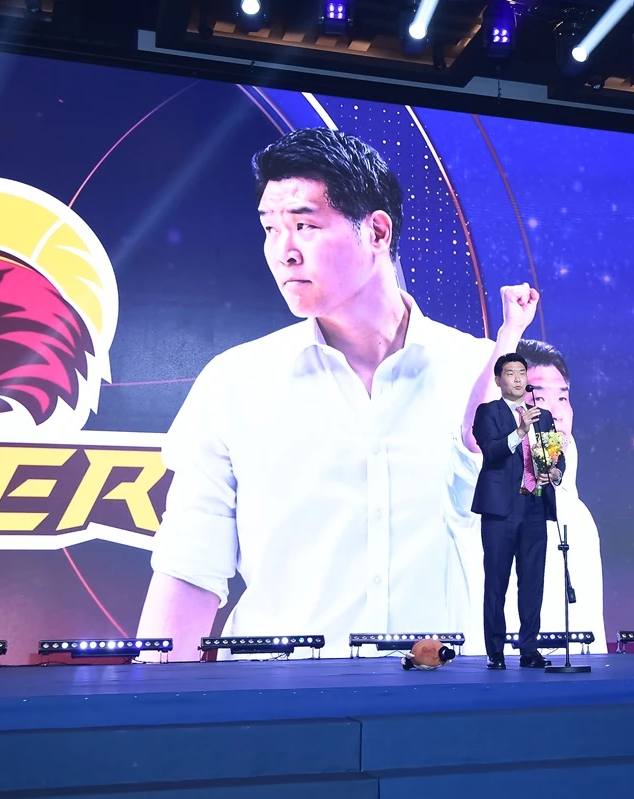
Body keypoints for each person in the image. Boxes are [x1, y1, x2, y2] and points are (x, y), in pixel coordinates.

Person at [136, 128, 539, 660]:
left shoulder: (481, 374)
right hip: (277, 698)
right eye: (270, 229)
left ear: (377, 231)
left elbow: (540, 540)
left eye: (304, 225)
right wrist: (152, 693)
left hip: (448, 692)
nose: (284, 252)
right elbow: (190, 566)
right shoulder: (235, 382)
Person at [504, 339, 607, 654]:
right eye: (539, 397)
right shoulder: (490, 491)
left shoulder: (579, 516)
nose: (556, 412)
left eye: (562, 397)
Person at [471, 353, 565, 669]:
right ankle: (495, 651)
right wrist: (521, 431)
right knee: (497, 582)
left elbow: (555, 456)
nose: (517, 378)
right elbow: (491, 451)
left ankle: (529, 649)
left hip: (535, 506)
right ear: (499, 380)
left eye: (522, 372)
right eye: (510, 373)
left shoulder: (544, 417)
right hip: (500, 510)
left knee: (532, 582)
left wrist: (554, 472)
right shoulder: (489, 412)